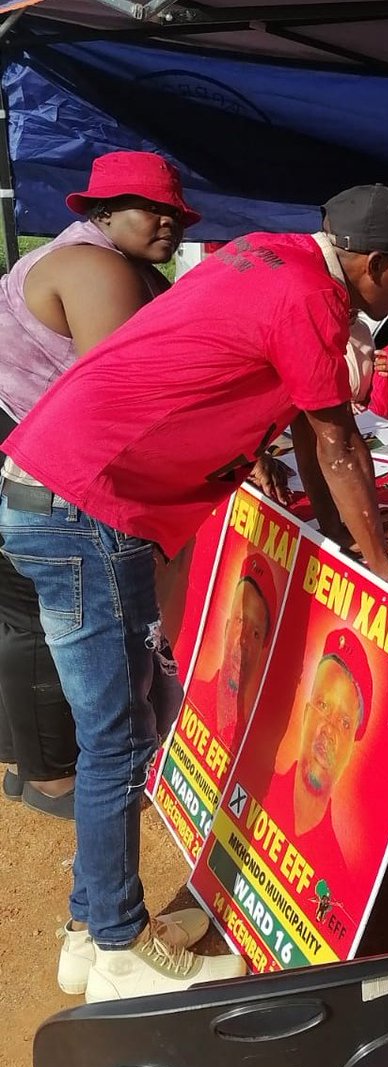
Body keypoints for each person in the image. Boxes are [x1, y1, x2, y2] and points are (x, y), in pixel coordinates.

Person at [0, 182, 388, 1002]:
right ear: (372, 263)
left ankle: (88, 925)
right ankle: (118, 945)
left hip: (65, 492)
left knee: (128, 711)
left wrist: (345, 535)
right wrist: (383, 567)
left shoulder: (268, 256)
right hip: (87, 505)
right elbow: (334, 438)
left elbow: (302, 417)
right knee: (117, 738)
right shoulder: (308, 296)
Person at [0, 151, 197, 823]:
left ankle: (40, 763)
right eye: (154, 210)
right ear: (105, 213)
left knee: (46, 620)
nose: (169, 223)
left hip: (42, 459)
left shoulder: (127, 266)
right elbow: (133, 390)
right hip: (37, 466)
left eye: (176, 213)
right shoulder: (93, 266)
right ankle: (51, 777)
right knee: (44, 623)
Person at [262, 628, 373, 889]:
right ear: (305, 714)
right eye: (322, 706)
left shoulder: (336, 879)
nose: (328, 728)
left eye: (344, 722)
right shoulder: (257, 789)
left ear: (350, 751)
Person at [192, 551, 277, 750]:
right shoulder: (189, 697)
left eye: (256, 633)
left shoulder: (253, 746)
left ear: (263, 650)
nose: (243, 640)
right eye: (240, 621)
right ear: (226, 627)